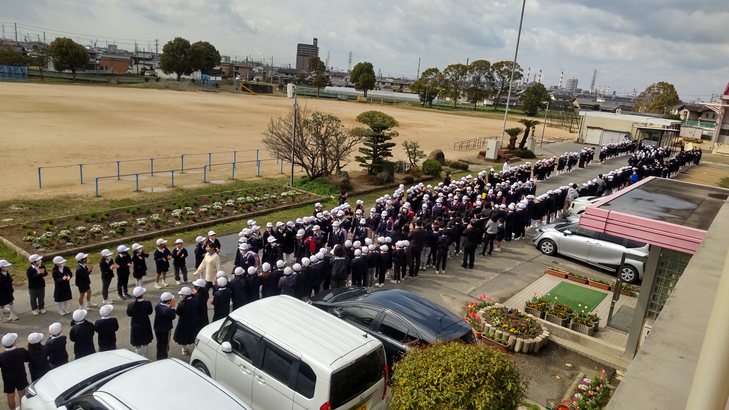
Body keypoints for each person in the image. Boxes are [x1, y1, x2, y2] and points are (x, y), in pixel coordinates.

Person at [0, 333, 28, 410]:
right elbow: (27, 359)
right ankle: (22, 408)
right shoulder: (21, 351)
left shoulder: (1, 356)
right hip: (20, 376)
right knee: (22, 394)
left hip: (8, 379)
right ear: (14, 342)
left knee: (10, 396)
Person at [126, 286, 154, 358]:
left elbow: (129, 314)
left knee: (137, 344)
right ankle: (145, 357)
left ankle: (139, 357)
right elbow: (150, 312)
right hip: (145, 325)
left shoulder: (131, 305)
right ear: (142, 294)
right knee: (145, 342)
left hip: (135, 326)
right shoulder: (147, 303)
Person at [173, 287, 199, 355]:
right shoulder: (196, 300)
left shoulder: (181, 304)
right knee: (193, 334)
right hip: (194, 320)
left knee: (183, 336)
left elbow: (178, 313)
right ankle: (196, 348)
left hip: (184, 322)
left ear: (184, 295)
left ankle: (184, 349)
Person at [154, 292, 177, 360]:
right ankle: (164, 357)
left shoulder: (158, 306)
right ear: (169, 301)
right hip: (165, 329)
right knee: (165, 344)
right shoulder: (168, 310)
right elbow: (173, 316)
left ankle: (158, 356)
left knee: (159, 343)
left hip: (157, 328)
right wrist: (173, 307)